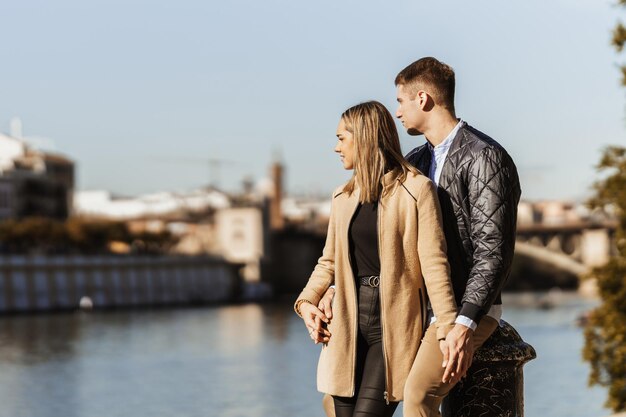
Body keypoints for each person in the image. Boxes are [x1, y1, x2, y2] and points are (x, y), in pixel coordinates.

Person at [316, 57, 521, 417]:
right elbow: (382, 242)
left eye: (401, 101)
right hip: (411, 312)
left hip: (463, 310)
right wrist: (335, 289)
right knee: (336, 400)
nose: (396, 112)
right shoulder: (414, 163)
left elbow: (493, 254)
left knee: (418, 396)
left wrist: (464, 323)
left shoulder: (485, 157)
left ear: (423, 99)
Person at [294, 100, 459, 417]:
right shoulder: (342, 197)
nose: (336, 147)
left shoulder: (416, 190)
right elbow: (328, 261)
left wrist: (448, 329)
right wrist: (306, 303)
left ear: (364, 137)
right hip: (345, 325)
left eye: (342, 138)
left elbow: (434, 264)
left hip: (393, 327)